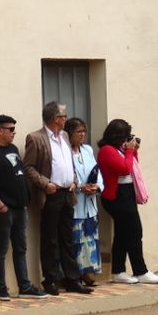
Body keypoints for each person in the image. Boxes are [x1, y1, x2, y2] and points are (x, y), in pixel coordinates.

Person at [24, 102, 90, 296]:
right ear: (55, 119)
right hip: (51, 194)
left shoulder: (64, 137)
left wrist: (74, 180)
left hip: (67, 192)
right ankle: (50, 279)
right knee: (50, 239)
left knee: (67, 239)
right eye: (63, 116)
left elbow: (68, 163)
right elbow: (29, 167)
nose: (66, 119)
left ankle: (72, 279)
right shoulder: (36, 138)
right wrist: (45, 183)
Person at [0, 115, 44, 300]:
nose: (13, 133)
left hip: (20, 206)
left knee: (21, 247)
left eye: (14, 129)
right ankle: (1, 288)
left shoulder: (13, 148)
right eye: (10, 130)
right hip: (4, 209)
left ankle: (24, 286)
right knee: (1, 248)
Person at [96, 119, 158, 285]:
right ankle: (140, 271)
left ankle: (118, 271)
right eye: (126, 135)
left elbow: (132, 166)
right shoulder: (106, 150)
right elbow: (124, 169)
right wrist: (130, 151)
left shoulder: (119, 149)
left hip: (126, 194)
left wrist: (134, 151)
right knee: (134, 232)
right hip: (117, 196)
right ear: (117, 135)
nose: (128, 139)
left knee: (122, 235)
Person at [66, 118, 103, 284]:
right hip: (76, 202)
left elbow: (97, 170)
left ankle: (89, 271)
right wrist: (81, 187)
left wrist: (97, 186)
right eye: (78, 132)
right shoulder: (65, 151)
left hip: (90, 203)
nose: (82, 135)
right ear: (69, 134)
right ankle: (76, 274)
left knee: (90, 238)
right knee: (76, 240)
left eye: (83, 132)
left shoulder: (87, 150)